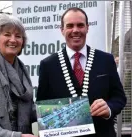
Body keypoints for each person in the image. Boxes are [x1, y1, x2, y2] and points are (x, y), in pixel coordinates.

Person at [36, 7, 126, 137]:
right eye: (70, 26)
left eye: (80, 25)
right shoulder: (48, 65)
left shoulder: (105, 60)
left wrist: (109, 108)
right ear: (62, 30)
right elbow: (43, 109)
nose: (75, 30)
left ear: (87, 28)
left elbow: (119, 98)